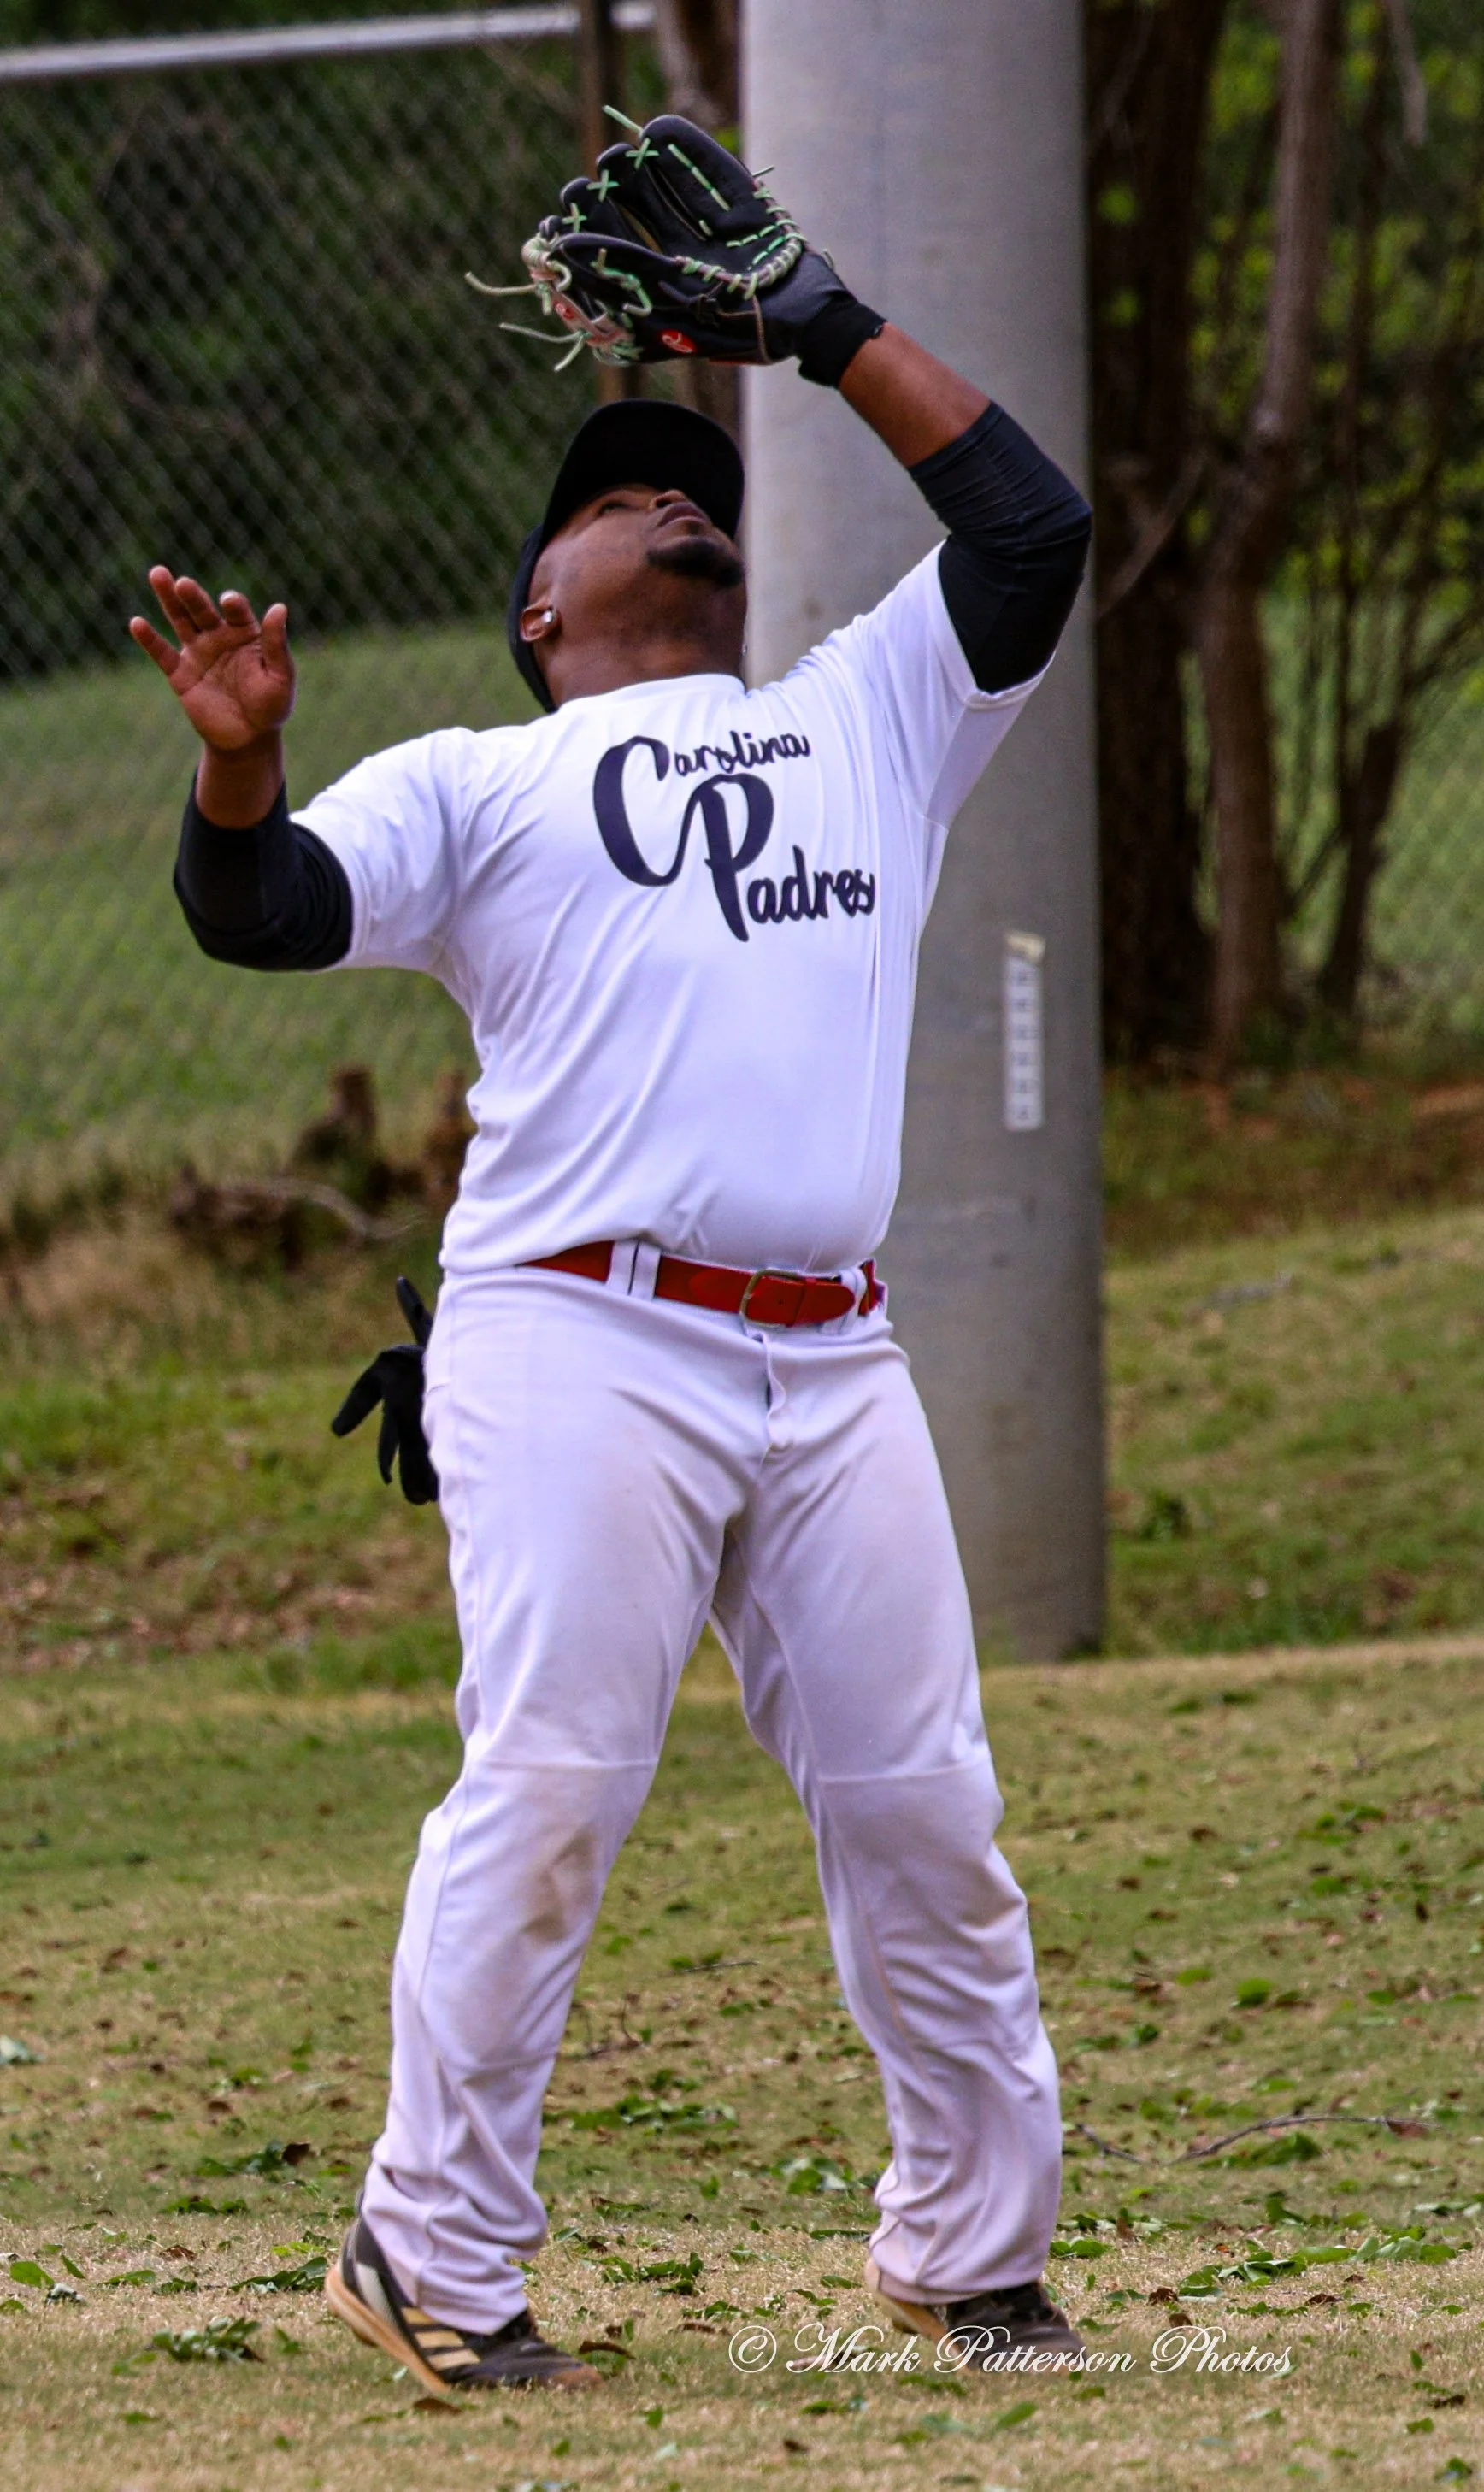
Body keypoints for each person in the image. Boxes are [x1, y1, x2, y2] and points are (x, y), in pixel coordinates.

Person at [130, 181, 1092, 2393]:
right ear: (539, 610)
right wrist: (238, 762)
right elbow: (262, 912)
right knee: (553, 1788)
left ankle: (970, 2255)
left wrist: (823, 323)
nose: (668, 496)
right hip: (581, 1336)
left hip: (833, 1356)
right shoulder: (482, 780)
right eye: (608, 497)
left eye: (690, 484)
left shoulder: (870, 714)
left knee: (927, 1808)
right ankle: (431, 2257)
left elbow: (1030, 529)